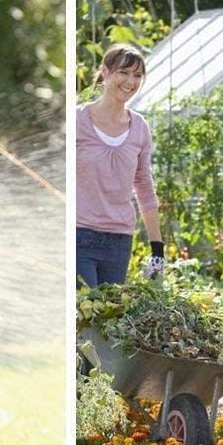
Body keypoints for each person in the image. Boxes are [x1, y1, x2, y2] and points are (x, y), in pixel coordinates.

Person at [76, 42, 163, 287]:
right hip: (79, 234)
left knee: (107, 316)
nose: (130, 81)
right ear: (105, 72)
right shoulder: (77, 121)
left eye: (137, 75)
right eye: (123, 72)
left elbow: (144, 188)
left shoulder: (140, 128)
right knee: (84, 309)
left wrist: (157, 250)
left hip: (119, 240)